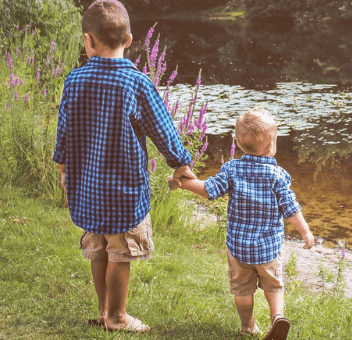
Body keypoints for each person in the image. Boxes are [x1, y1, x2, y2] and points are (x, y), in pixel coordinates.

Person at [53, 0, 196, 333]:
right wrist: (180, 164)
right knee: (120, 252)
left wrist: (62, 168)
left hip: (86, 186)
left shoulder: (74, 80)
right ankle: (117, 316)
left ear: (87, 40)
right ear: (129, 40)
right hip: (123, 189)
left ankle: (103, 311)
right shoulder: (137, 83)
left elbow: (64, 129)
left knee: (100, 247)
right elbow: (163, 130)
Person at [168, 107, 315, 340]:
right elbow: (291, 208)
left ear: (237, 143)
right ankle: (277, 318)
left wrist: (182, 183)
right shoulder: (277, 175)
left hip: (239, 247)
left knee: (242, 290)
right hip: (268, 248)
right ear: (272, 145)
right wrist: (305, 232)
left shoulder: (232, 169)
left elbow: (208, 190)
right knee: (274, 286)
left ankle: (248, 327)